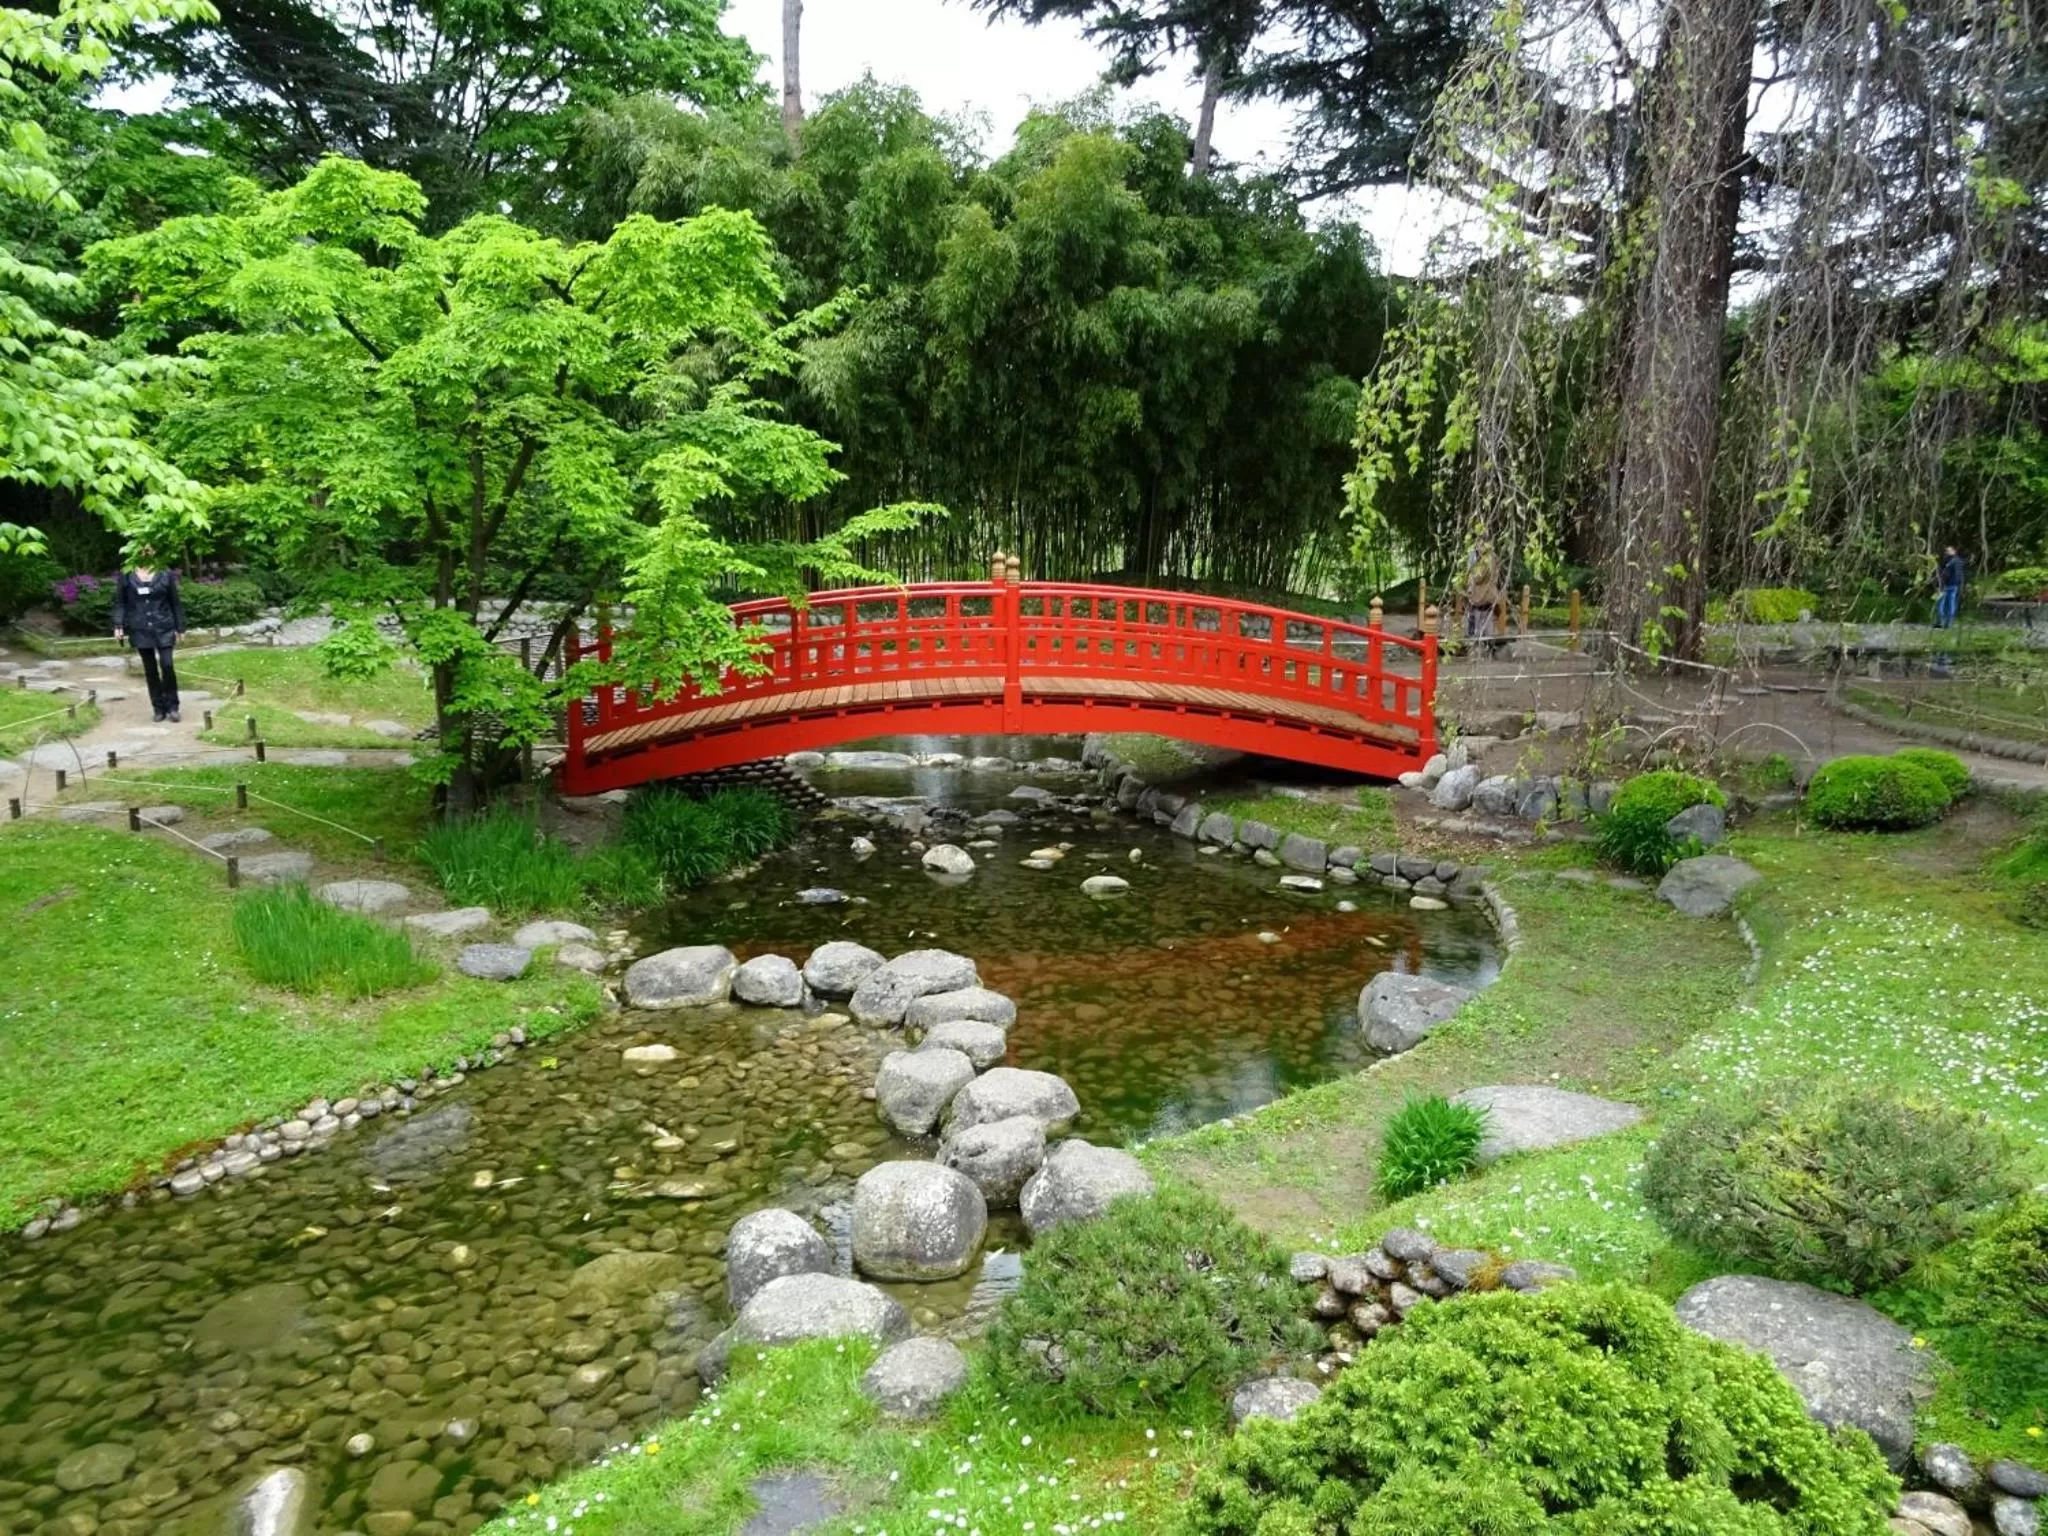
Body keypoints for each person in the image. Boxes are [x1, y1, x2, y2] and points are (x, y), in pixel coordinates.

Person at [112, 545, 185, 722]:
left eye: (149, 550)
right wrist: (118, 624)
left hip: (164, 627)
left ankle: (173, 706)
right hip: (140, 628)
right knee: (150, 669)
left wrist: (180, 627)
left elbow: (175, 602)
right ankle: (158, 708)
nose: (146, 553)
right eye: (142, 549)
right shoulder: (127, 573)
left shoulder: (165, 572)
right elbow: (120, 602)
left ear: (154, 552)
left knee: (167, 665)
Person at [1465, 539, 1501, 640]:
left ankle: (1479, 644)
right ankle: (1481, 642)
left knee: (1481, 624)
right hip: (1486, 594)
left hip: (1482, 595)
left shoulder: (1487, 559)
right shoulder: (1491, 557)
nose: (1477, 548)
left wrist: (1471, 567)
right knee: (1485, 621)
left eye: (1479, 545)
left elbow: (1478, 577)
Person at [1935, 544, 1966, 629]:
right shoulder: (1958, 561)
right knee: (1950, 603)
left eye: (1948, 551)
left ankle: (1941, 622)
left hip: (1947, 585)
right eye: (1946, 551)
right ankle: (1948, 623)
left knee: (1941, 603)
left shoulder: (1949, 561)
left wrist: (1941, 583)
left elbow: (1944, 573)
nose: (1946, 552)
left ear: (1953, 551)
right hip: (1954, 585)